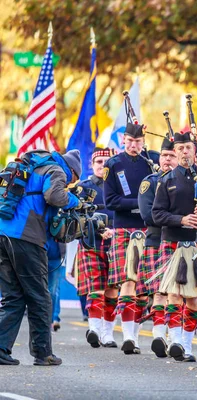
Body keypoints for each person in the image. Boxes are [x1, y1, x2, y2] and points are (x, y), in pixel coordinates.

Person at [0, 149, 82, 366]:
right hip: (25, 237)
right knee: (40, 297)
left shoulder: (31, 167)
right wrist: (75, 201)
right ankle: (42, 353)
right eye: (72, 181)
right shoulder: (56, 170)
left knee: (14, 296)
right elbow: (54, 196)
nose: (69, 184)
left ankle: (0, 349)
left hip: (3, 234)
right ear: (72, 171)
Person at [152, 131, 197, 362]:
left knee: (194, 298)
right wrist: (181, 220)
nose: (184, 152)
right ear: (176, 152)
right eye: (180, 149)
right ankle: (176, 340)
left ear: (195, 152)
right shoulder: (166, 180)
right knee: (174, 294)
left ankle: (187, 346)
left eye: (188, 148)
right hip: (172, 242)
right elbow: (156, 214)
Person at [103, 123, 156, 355]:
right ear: (123, 140)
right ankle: (127, 336)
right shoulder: (112, 165)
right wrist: (141, 203)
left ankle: (134, 335)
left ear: (143, 141)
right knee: (127, 281)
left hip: (147, 229)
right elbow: (111, 202)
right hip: (124, 228)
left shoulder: (150, 163)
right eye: (130, 141)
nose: (134, 146)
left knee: (143, 287)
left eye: (138, 142)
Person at [137, 137, 178, 357]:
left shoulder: (185, 182)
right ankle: (159, 335)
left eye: (172, 156)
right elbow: (148, 215)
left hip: (179, 242)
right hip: (155, 241)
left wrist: (168, 216)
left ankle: (174, 336)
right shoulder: (150, 182)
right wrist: (177, 217)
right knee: (159, 292)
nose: (167, 160)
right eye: (164, 155)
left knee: (176, 292)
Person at [75, 147, 117, 349]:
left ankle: (108, 333)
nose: (103, 166)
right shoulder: (83, 187)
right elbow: (77, 216)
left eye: (107, 162)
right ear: (92, 164)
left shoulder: (119, 187)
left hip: (117, 243)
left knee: (112, 291)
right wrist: (98, 230)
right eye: (99, 162)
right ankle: (94, 328)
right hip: (92, 242)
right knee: (95, 288)